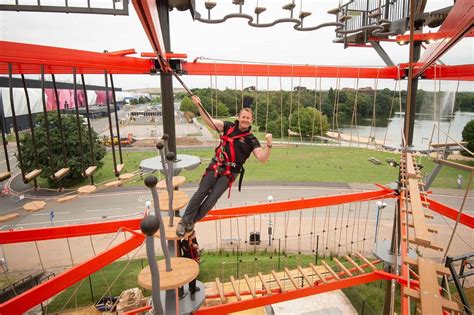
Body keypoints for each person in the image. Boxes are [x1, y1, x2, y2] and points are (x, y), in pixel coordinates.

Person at [176, 95, 272, 237]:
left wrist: (269, 145)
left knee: (211, 200)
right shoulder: (228, 126)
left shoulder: (252, 140)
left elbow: (262, 158)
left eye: (248, 118)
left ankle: (192, 221)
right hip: (216, 165)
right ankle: (184, 222)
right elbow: (210, 122)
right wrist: (199, 106)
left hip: (229, 173)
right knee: (200, 193)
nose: (245, 120)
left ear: (251, 120)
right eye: (243, 117)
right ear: (238, 117)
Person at [178, 231, 200, 300]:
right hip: (189, 261)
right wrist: (187, 241)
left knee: (194, 275)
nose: (195, 235)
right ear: (189, 236)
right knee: (191, 276)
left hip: (194, 259)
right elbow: (186, 249)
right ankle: (192, 292)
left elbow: (196, 244)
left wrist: (195, 245)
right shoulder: (183, 242)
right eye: (193, 235)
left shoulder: (193, 239)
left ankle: (192, 288)